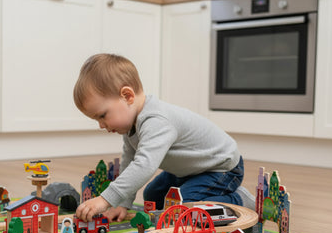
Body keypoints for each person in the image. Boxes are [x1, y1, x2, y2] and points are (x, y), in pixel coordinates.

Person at [73, 53, 255, 222]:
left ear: (127, 96)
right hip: (189, 170)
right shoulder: (131, 126)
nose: (101, 125)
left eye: (102, 115)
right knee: (153, 196)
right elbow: (130, 163)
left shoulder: (156, 120)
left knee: (184, 208)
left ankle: (239, 199)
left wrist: (105, 199)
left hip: (221, 169)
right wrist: (123, 203)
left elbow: (144, 165)